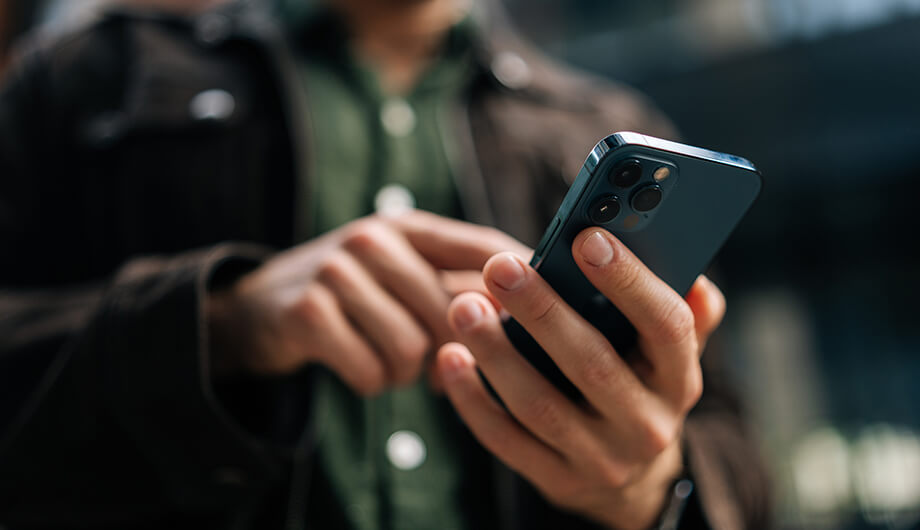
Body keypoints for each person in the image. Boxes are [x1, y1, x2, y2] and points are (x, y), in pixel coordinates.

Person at [0, 0, 770, 528]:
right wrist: (227, 324)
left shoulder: (607, 126)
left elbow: (741, 467)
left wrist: (648, 489)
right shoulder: (87, 80)